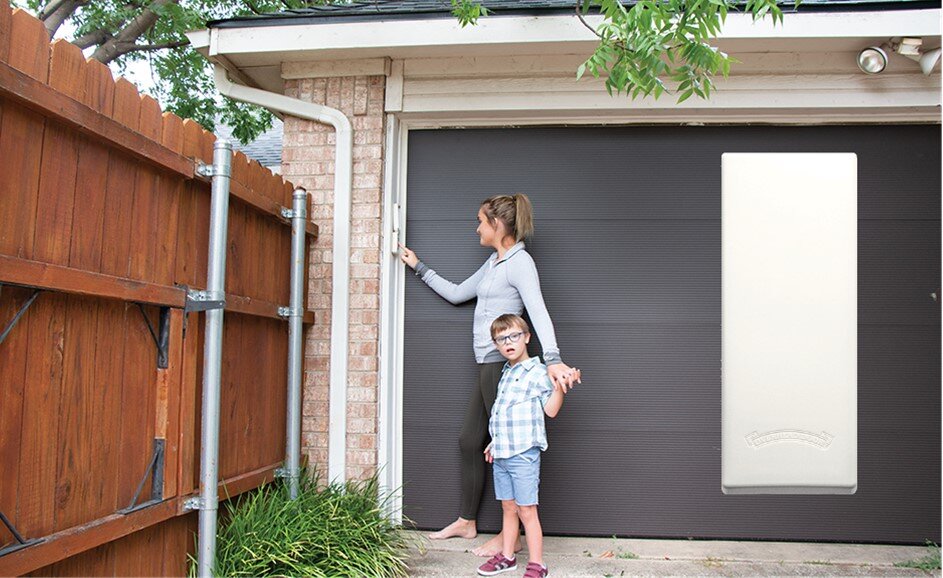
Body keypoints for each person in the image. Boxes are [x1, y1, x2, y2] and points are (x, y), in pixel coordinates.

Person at [398, 193, 581, 557]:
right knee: (471, 441)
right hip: (486, 364)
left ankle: (504, 535)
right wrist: (418, 266)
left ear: (497, 225)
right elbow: (457, 294)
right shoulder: (495, 262)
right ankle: (468, 522)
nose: (477, 227)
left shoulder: (520, 263)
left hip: (501, 368)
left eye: (481, 220)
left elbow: (538, 311)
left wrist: (554, 359)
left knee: (507, 448)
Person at [477, 314, 565, 578]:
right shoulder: (506, 373)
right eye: (501, 339)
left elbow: (550, 411)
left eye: (514, 336)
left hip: (523, 454)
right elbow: (504, 414)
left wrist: (560, 386)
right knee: (508, 507)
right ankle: (507, 557)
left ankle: (537, 563)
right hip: (502, 453)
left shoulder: (538, 372)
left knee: (527, 510)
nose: (508, 343)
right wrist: (495, 442)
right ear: (496, 345)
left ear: (526, 337)